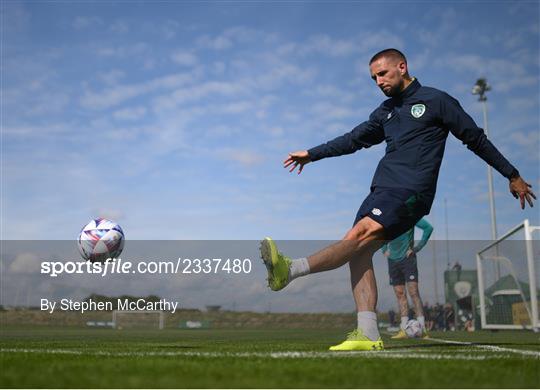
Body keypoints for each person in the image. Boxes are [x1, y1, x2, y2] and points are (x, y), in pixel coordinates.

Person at [261, 48, 535, 351]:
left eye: (382, 73)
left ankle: (291, 269)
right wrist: (312, 154)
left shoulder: (436, 100)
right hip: (380, 190)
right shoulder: (385, 112)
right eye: (373, 77)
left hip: (411, 190)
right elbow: (352, 139)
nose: (378, 81)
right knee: (359, 253)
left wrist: (512, 174)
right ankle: (367, 333)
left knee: (358, 235)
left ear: (402, 67)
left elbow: (475, 138)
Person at [382, 218, 433, 339]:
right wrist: (384, 249)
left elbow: (428, 228)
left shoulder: (411, 215)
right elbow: (381, 233)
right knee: (400, 294)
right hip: (393, 261)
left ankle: (423, 329)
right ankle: (403, 329)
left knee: (413, 292)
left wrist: (417, 248)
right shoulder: (388, 217)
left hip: (408, 259)